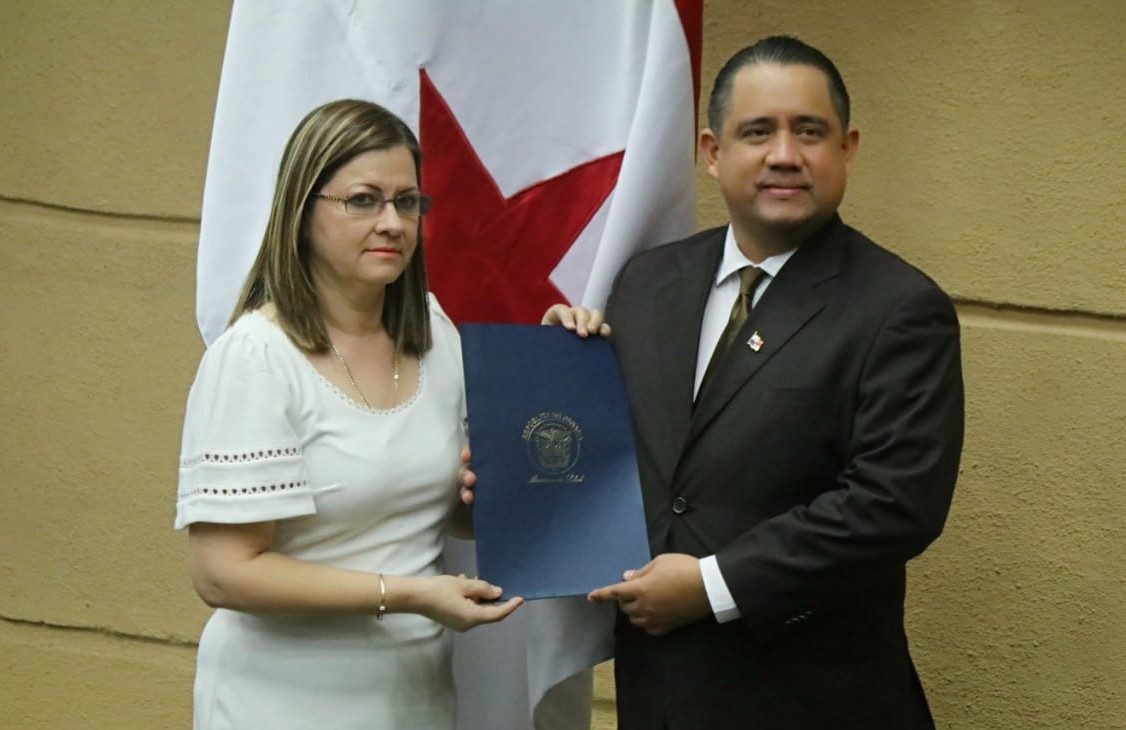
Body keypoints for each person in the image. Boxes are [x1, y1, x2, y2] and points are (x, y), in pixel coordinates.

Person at [536, 36, 965, 729]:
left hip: (812, 703)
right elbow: (634, 464)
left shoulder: (899, 308)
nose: (785, 155)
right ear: (712, 152)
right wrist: (534, 429)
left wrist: (711, 586)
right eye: (758, 131)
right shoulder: (647, 284)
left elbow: (893, 504)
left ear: (847, 149)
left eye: (810, 131)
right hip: (660, 696)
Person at [175, 99, 523, 730]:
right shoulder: (256, 359)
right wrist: (411, 594)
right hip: (280, 703)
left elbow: (430, 512)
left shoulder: (435, 335)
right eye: (363, 200)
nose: (392, 222)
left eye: (408, 201)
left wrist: (567, 357)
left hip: (414, 698)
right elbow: (223, 574)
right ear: (303, 212)